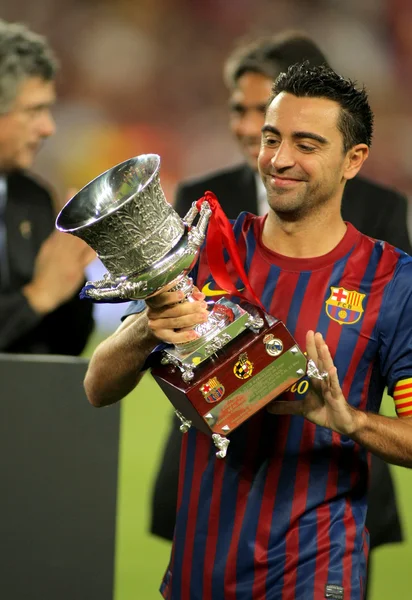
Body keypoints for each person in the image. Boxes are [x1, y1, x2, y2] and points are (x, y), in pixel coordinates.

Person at [84, 63, 412, 599]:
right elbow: (98, 386)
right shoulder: (207, 248)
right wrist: (147, 328)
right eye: (271, 138)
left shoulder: (392, 282)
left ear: (354, 160)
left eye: (306, 144)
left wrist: (349, 420)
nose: (280, 160)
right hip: (199, 570)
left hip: (315, 568)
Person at [0, 20, 94, 355]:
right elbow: (42, 297)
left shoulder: (34, 199)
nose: (48, 127)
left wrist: (74, 281)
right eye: (34, 110)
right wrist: (38, 296)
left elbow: (67, 347)